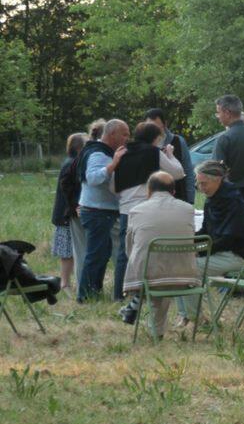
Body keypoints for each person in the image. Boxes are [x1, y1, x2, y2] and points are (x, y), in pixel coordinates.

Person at [120, 172, 198, 338]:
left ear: (148, 191)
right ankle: (155, 330)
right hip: (186, 277)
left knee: (153, 269)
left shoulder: (136, 211)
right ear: (173, 192)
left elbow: (131, 248)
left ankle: (139, 311)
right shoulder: (188, 209)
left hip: (148, 278)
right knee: (165, 268)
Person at [186, 161, 244, 323]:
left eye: (204, 183)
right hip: (220, 252)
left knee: (188, 269)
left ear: (217, 180)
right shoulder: (213, 199)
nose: (200, 188)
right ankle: (187, 315)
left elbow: (228, 240)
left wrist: (199, 250)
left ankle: (195, 318)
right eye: (198, 183)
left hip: (235, 256)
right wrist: (187, 241)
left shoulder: (234, 202)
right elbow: (205, 232)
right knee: (183, 264)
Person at [76, 118, 129, 302]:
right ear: (112, 134)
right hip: (96, 212)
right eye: (124, 134)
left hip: (101, 212)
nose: (127, 138)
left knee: (101, 254)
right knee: (95, 255)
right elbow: (93, 178)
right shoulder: (99, 153)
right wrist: (113, 165)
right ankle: (85, 296)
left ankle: (94, 292)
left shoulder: (103, 151)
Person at [51, 132, 86, 292]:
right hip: (65, 215)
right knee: (67, 252)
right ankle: (64, 283)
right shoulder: (71, 164)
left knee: (72, 251)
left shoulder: (72, 162)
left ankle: (68, 282)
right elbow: (67, 191)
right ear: (80, 148)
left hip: (67, 213)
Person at [144, 108, 194, 202]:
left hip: (178, 195)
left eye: (157, 127)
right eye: (150, 128)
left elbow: (188, 170)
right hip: (151, 198)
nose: (153, 132)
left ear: (164, 124)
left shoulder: (178, 141)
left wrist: (190, 198)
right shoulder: (143, 145)